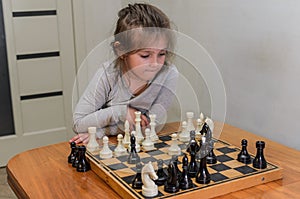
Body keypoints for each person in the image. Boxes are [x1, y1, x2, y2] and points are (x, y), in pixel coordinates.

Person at [70, 3, 178, 144]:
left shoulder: (168, 74)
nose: (155, 63)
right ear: (121, 50)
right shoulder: (107, 75)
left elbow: (151, 127)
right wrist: (122, 112)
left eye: (162, 53)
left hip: (138, 146)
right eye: (145, 55)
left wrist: (100, 131)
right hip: (110, 147)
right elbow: (79, 124)